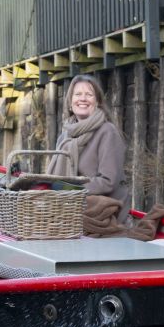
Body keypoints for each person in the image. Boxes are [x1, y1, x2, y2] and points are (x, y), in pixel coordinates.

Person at [47, 75, 131, 222]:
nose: (83, 99)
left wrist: (69, 189)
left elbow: (108, 182)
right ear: (70, 102)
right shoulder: (65, 136)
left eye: (89, 94)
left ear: (97, 102)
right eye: (78, 94)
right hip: (72, 206)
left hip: (103, 212)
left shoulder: (108, 132)